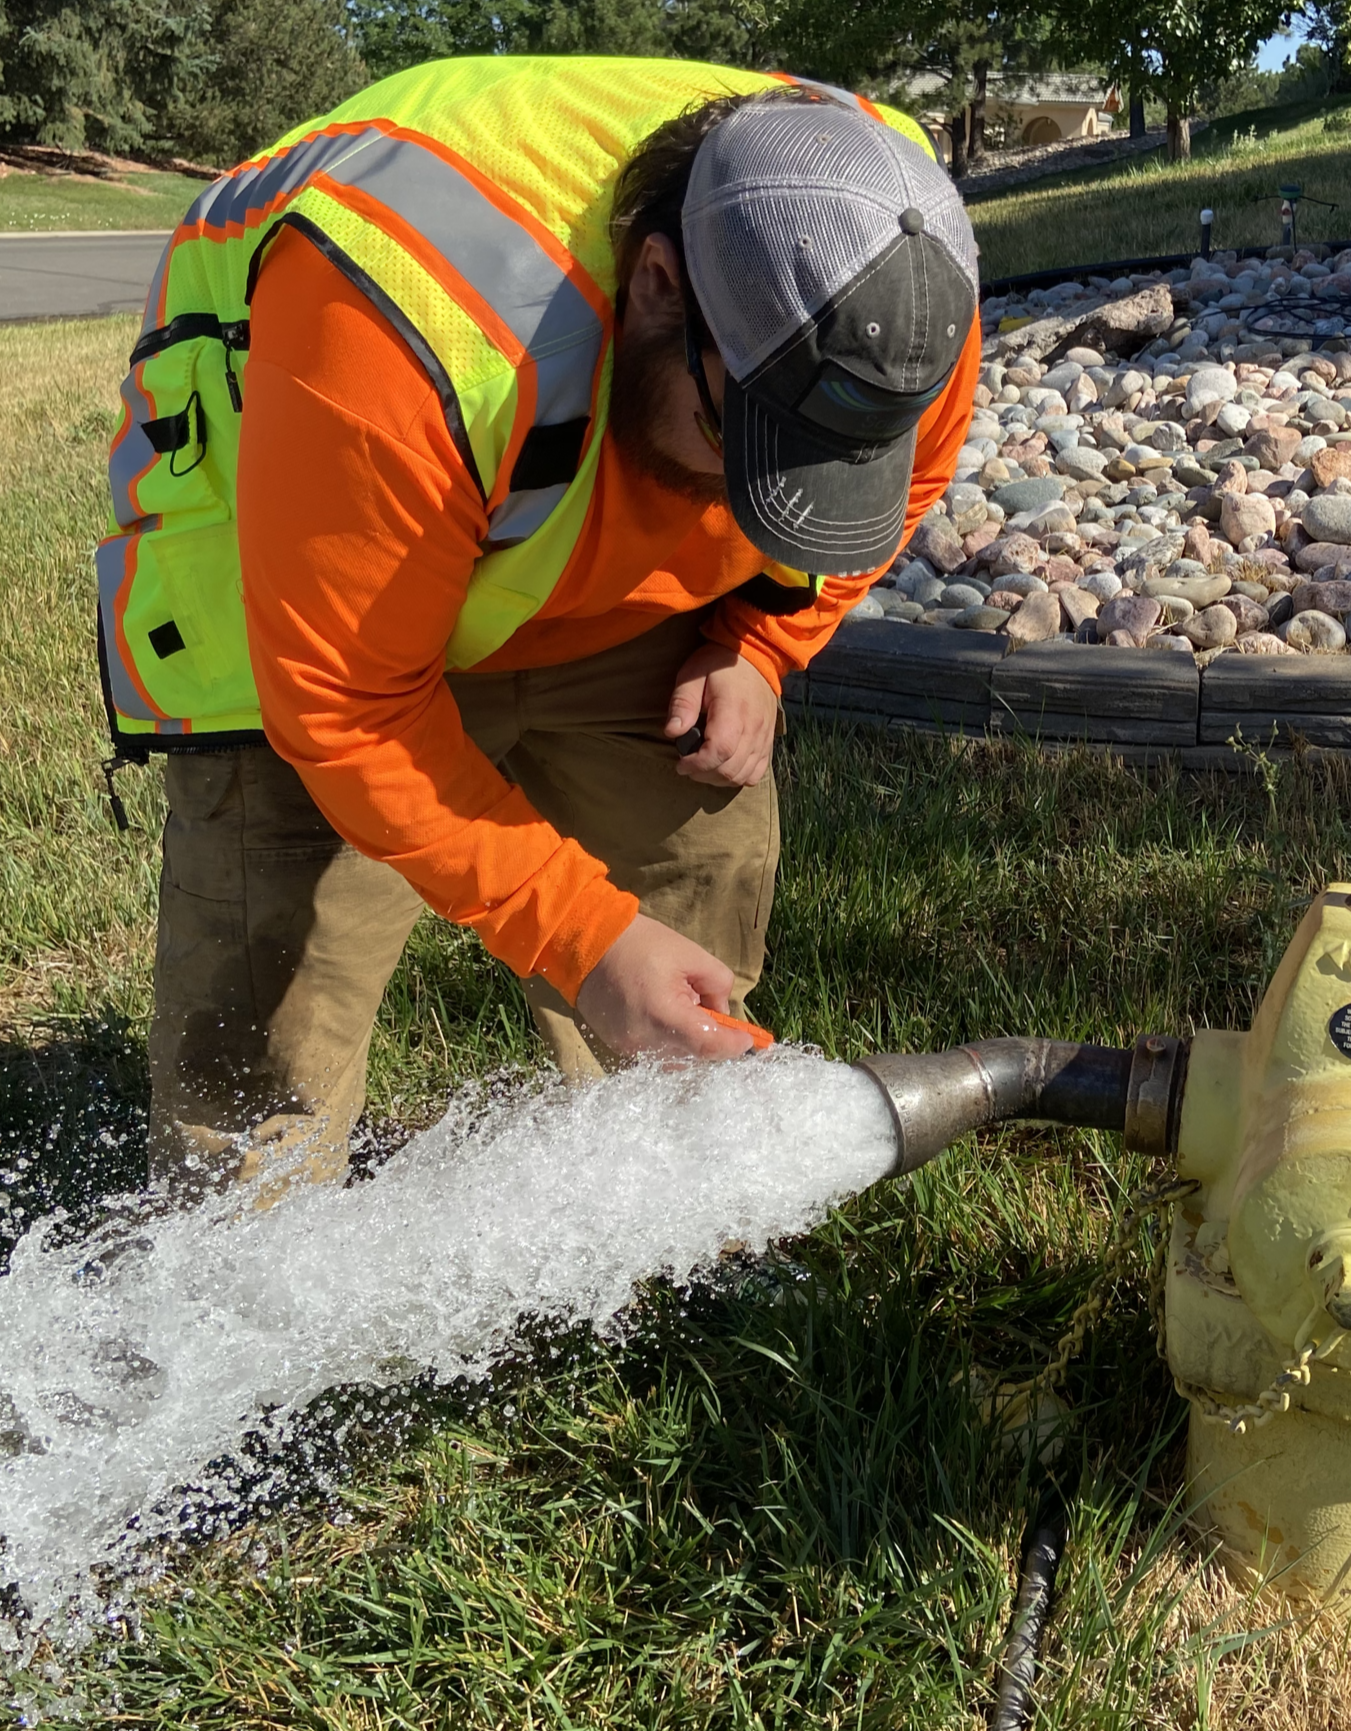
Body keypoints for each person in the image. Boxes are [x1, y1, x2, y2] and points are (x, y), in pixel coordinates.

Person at [97, 57, 981, 1193]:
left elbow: (901, 486)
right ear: (659, 282)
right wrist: (582, 936)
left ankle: (672, 1212)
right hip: (313, 578)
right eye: (741, 440)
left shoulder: (897, 267)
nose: (752, 503)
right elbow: (350, 705)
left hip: (565, 549)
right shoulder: (404, 312)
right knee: (269, 1022)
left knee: (688, 908)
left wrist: (760, 638)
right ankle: (235, 1273)